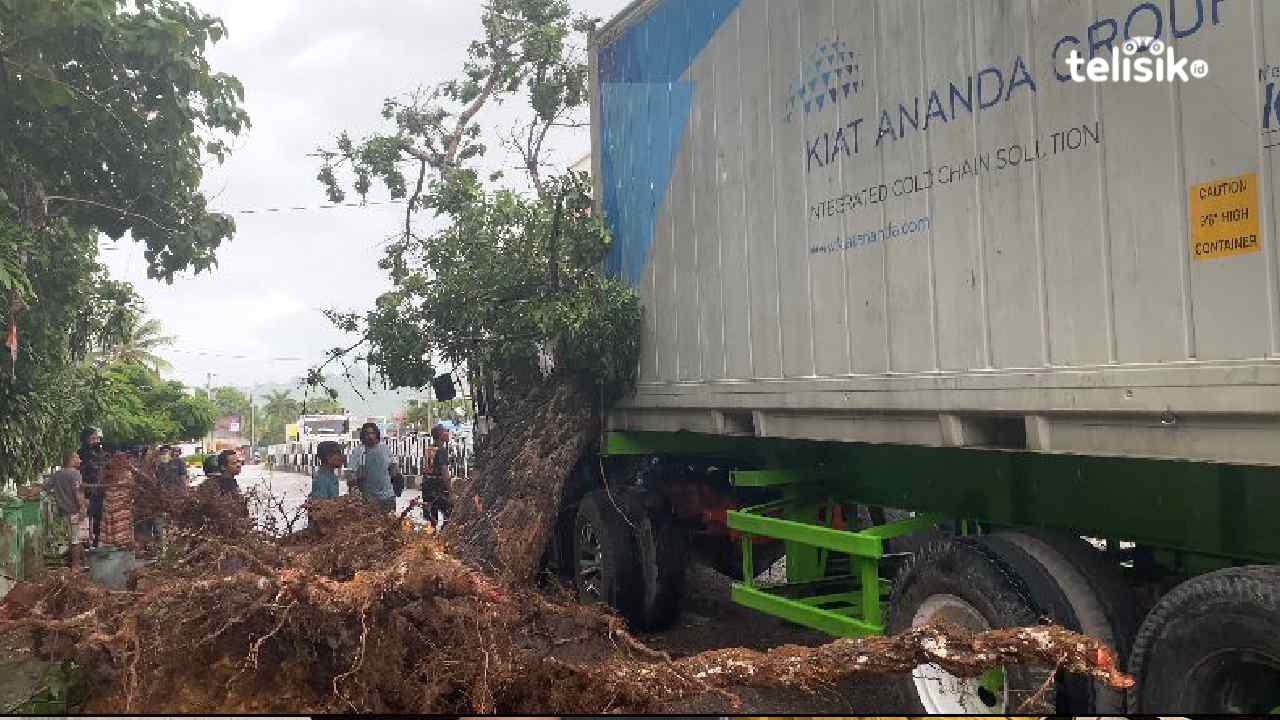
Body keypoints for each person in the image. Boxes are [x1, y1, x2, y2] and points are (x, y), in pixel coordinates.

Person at [44, 451, 85, 570]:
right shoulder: (75, 474)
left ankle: (81, 561)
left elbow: (45, 487)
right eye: (77, 457)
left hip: (63, 512)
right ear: (71, 459)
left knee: (73, 538)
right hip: (74, 511)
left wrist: (28, 493)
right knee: (75, 539)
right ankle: (75, 566)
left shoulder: (57, 474)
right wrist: (82, 508)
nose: (80, 460)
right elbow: (78, 493)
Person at [352, 422, 395, 513]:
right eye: (367, 434)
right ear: (363, 436)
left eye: (372, 433)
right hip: (368, 498)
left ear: (376, 434)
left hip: (387, 497)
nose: (370, 436)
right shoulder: (358, 451)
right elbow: (352, 473)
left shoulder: (385, 448)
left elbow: (393, 468)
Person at [78, 427, 106, 548]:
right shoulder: (81, 454)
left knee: (98, 518)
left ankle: (96, 542)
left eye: (97, 438)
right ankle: (84, 545)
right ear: (86, 439)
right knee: (84, 520)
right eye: (93, 438)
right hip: (85, 492)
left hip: (100, 491)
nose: (96, 441)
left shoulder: (100, 453)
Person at [423, 424, 452, 527]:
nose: (447, 433)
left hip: (427, 486)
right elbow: (444, 472)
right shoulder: (441, 450)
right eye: (445, 431)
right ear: (440, 435)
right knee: (448, 514)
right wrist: (451, 491)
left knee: (432, 518)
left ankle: (433, 533)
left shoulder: (429, 449)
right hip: (438, 487)